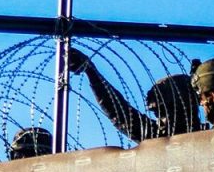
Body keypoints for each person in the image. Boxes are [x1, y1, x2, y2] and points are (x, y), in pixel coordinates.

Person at [67, 48, 200, 142]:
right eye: (157, 113)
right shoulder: (157, 137)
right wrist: (92, 72)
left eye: (164, 112)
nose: (161, 120)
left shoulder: (210, 136)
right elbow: (119, 112)